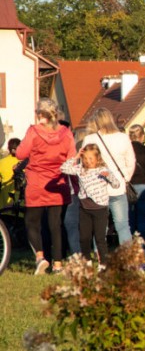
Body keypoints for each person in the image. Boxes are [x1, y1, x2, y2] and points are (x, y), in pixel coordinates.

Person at [16, 99, 75, 274]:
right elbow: (71, 158)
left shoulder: (34, 131)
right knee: (55, 225)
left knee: (31, 222)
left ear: (41, 114)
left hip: (37, 183)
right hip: (58, 184)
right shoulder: (66, 133)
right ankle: (58, 265)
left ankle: (40, 257)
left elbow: (20, 153)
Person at [83, 108, 137, 246]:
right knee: (122, 225)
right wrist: (125, 178)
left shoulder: (90, 139)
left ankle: (99, 254)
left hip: (97, 188)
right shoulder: (123, 138)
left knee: (100, 227)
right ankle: (127, 254)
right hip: (117, 187)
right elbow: (131, 162)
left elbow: (84, 164)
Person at [60, 144, 120, 262]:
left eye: (91, 158)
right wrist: (76, 156)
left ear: (97, 158)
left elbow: (116, 184)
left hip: (100, 209)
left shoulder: (103, 170)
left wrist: (109, 176)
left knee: (100, 238)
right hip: (85, 208)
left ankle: (103, 263)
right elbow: (63, 168)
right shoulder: (80, 169)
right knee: (84, 238)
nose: (88, 161)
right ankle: (87, 261)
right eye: (85, 158)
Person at [127, 125, 145, 243]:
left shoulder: (126, 151)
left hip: (129, 186)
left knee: (130, 218)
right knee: (143, 218)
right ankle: (142, 244)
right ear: (142, 136)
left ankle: (131, 243)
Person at [0, 138, 21, 209]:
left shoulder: (1, 162)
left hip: (4, 202)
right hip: (21, 204)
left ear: (8, 148)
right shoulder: (25, 163)